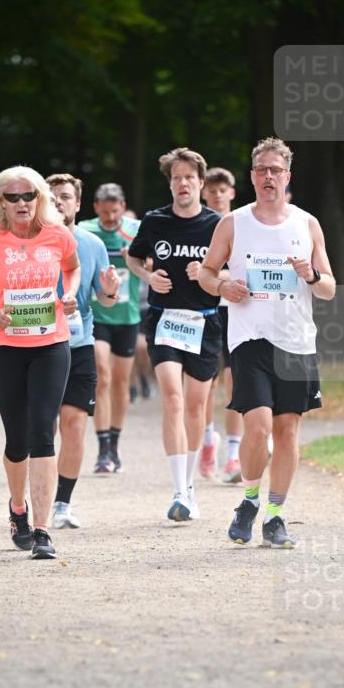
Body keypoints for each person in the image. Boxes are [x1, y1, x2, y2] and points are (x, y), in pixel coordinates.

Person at [199, 136, 335, 547]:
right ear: (253, 176)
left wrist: (310, 274)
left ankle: (274, 515)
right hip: (249, 338)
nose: (269, 176)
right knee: (257, 429)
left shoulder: (306, 223)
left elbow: (328, 288)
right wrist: (224, 287)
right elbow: (207, 274)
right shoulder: (233, 223)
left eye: (276, 170)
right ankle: (250, 499)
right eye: (262, 170)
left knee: (288, 432)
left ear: (287, 176)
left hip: (296, 340)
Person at [0, 166, 80, 560]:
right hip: (5, 348)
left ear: (40, 197)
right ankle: (17, 507)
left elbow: (72, 269)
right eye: (13, 197)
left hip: (51, 345)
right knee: (18, 440)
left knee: (44, 432)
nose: (22, 203)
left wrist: (70, 294)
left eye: (29, 195)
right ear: (0, 202)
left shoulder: (58, 234)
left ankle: (42, 531)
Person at [127, 147, 221, 521]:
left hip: (206, 321)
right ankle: (178, 490)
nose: (182, 183)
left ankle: (191, 487)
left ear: (201, 183)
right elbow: (133, 256)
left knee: (197, 406)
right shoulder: (154, 221)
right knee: (173, 400)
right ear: (170, 184)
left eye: (189, 177)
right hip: (165, 320)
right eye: (176, 178)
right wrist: (148, 277)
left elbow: (234, 273)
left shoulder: (218, 225)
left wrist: (211, 275)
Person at [46, 173, 121, 528]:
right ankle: (32, 498)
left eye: (65, 197)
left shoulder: (91, 244)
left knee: (74, 425)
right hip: (39, 347)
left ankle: (62, 503)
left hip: (79, 344)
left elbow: (104, 299)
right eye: (53, 197)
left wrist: (108, 291)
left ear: (77, 204)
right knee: (41, 429)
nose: (59, 202)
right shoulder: (29, 243)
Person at [78, 184, 140, 474]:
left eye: (115, 212)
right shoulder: (86, 230)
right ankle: (102, 449)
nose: (111, 218)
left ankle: (115, 442)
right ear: (96, 208)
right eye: (105, 213)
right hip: (98, 313)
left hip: (127, 316)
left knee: (120, 382)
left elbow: (152, 265)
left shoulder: (135, 229)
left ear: (123, 206)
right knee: (101, 374)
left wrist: (135, 260)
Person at [200, 167, 243, 482]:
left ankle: (233, 454)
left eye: (222, 189)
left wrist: (217, 276)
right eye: (212, 190)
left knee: (233, 382)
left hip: (235, 311)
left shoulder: (243, 224)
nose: (217, 194)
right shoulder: (197, 225)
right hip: (202, 310)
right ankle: (207, 441)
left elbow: (243, 271)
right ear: (205, 193)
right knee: (205, 384)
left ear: (232, 192)